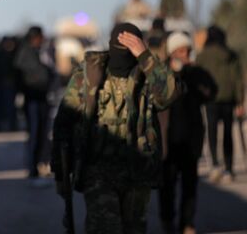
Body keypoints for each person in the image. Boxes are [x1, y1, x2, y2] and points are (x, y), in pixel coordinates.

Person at [51, 23, 178, 234]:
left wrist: (145, 55)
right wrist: (59, 170)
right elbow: (64, 122)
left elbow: (169, 95)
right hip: (98, 172)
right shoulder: (90, 74)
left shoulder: (147, 73)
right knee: (104, 228)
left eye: (131, 49)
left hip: (138, 172)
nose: (124, 57)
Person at [159, 32, 217, 234]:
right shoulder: (162, 72)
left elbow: (211, 93)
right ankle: (167, 221)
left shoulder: (197, 73)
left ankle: (188, 223)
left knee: (189, 186)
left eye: (187, 51)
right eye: (180, 51)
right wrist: (174, 74)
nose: (184, 54)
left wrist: (192, 75)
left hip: (191, 139)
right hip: (168, 141)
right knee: (167, 187)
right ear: (171, 52)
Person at [196, 25, 245, 183]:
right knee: (228, 134)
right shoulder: (231, 55)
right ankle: (229, 169)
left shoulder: (203, 55)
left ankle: (215, 165)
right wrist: (240, 101)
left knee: (212, 133)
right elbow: (238, 79)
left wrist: (198, 96)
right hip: (229, 99)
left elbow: (197, 76)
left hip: (210, 99)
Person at [14, 26, 53, 181]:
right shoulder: (26, 53)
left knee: (41, 134)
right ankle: (32, 170)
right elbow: (38, 76)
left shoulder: (37, 52)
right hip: (33, 101)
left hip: (40, 99)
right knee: (35, 135)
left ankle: (37, 166)